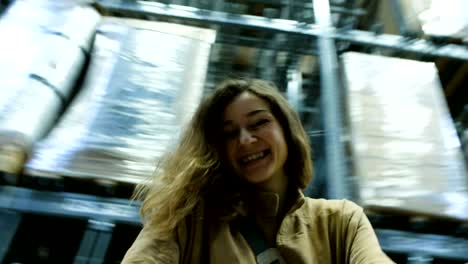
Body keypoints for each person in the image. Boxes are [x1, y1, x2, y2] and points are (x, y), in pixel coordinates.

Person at [122, 79, 395, 263]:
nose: (245, 140)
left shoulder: (341, 221)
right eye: (229, 134)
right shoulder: (187, 220)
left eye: (258, 123)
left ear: (287, 131)